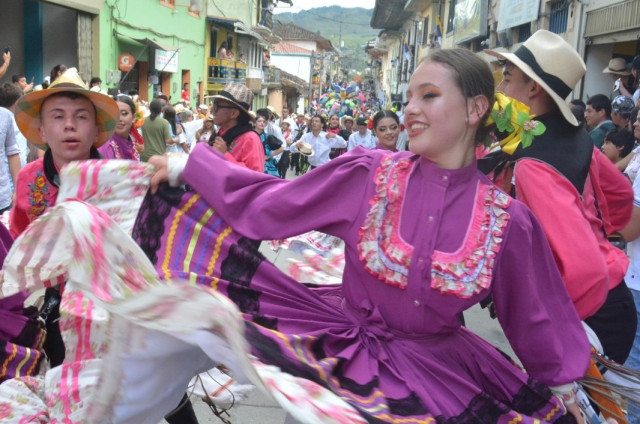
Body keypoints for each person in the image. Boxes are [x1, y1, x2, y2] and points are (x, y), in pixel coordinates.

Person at [147, 47, 589, 424]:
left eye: (429, 96)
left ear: (475, 109)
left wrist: (564, 383)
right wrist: (193, 167)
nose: (410, 109)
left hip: (437, 373)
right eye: (409, 97)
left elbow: (534, 312)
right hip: (344, 353)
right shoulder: (369, 174)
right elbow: (276, 203)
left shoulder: (506, 220)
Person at [486, 29, 636, 366]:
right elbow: (620, 192)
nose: (500, 89)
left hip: (590, 315)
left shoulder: (532, 163)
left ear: (533, 89)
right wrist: (597, 231)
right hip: (612, 299)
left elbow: (584, 271)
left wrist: (549, 327)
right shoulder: (575, 137)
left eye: (508, 79)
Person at [209, 82, 264, 172]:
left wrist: (225, 155)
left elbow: (255, 176)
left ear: (234, 113)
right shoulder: (219, 133)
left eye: (216, 106)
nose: (212, 110)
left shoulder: (250, 139)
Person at [98, 94, 145, 160]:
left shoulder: (133, 143)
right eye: (114, 113)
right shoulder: (106, 147)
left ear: (134, 117)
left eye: (124, 113)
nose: (119, 119)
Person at [255, 109, 283, 176]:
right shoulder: (249, 135)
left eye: (264, 122)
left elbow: (281, 148)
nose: (262, 123)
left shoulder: (268, 137)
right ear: (254, 122)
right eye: (259, 121)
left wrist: (269, 156)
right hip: (253, 164)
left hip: (266, 166)